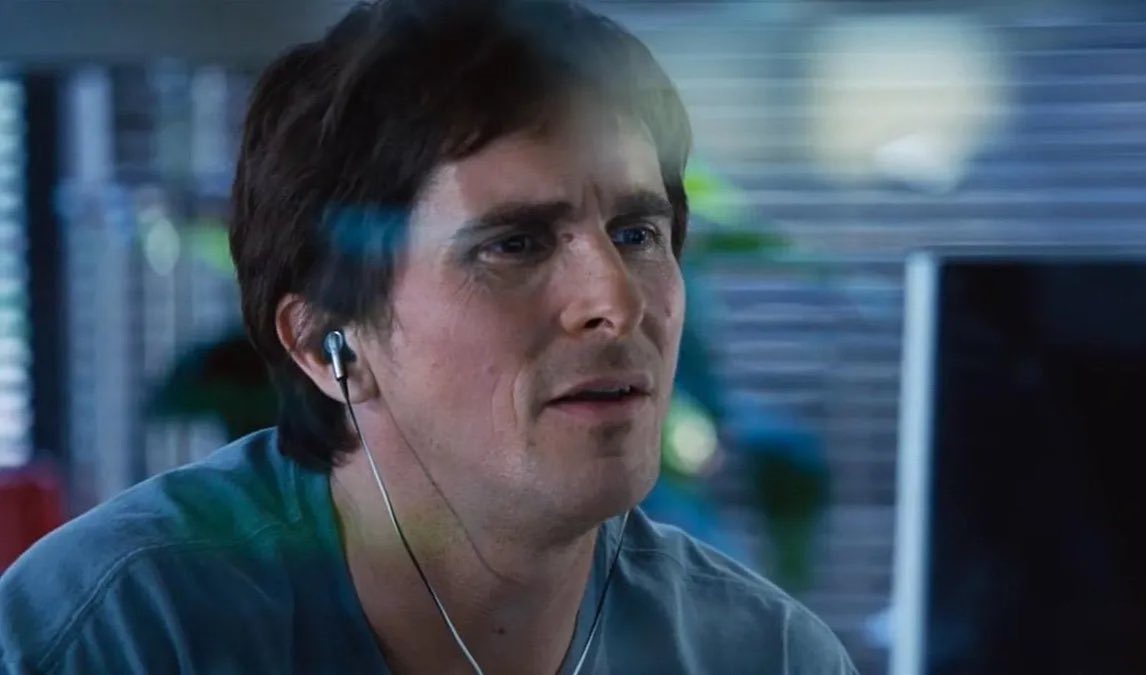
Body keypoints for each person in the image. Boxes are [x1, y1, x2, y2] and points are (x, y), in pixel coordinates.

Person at [0, 1, 857, 673]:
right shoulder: (114, 633)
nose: (615, 302)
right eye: (514, 244)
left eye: (636, 233)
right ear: (329, 345)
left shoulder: (766, 654)